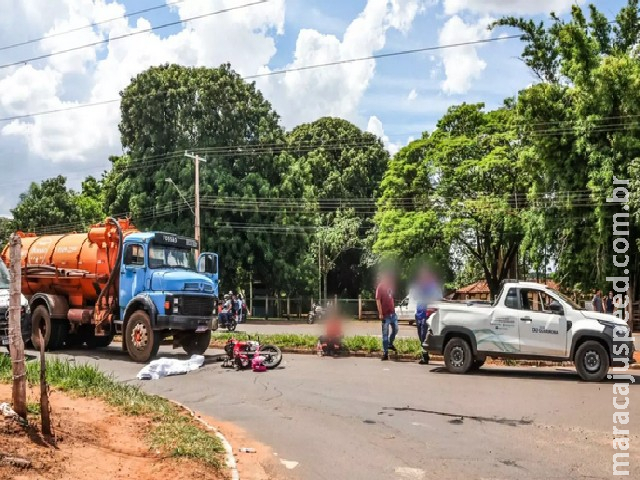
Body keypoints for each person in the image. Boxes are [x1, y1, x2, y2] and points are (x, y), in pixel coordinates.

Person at [413, 268, 442, 364]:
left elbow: (438, 299)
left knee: (424, 335)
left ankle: (425, 356)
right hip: (419, 314)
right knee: (421, 337)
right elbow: (415, 297)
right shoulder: (419, 287)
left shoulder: (433, 287)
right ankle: (424, 355)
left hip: (426, 315)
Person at [376, 270, 397, 361]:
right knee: (385, 334)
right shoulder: (380, 287)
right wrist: (380, 313)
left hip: (393, 314)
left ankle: (390, 343)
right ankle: (385, 353)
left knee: (396, 329)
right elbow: (377, 300)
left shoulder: (390, 286)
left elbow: (391, 298)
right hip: (385, 315)